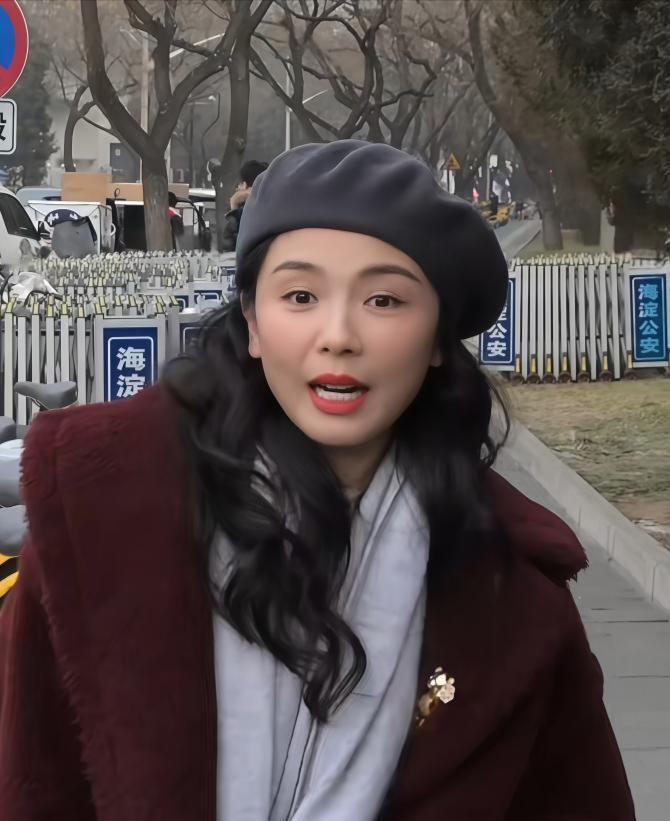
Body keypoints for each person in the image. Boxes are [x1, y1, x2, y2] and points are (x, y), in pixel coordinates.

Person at [0, 140, 634, 821]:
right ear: (252, 322)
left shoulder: (514, 595)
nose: (338, 336)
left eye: (384, 299)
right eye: (300, 295)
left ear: (437, 340)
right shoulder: (99, 526)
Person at [220, 159, 268, 251]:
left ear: (245, 185)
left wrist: (234, 205)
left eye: (239, 184)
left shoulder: (249, 213)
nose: (237, 188)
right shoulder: (270, 209)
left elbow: (228, 243)